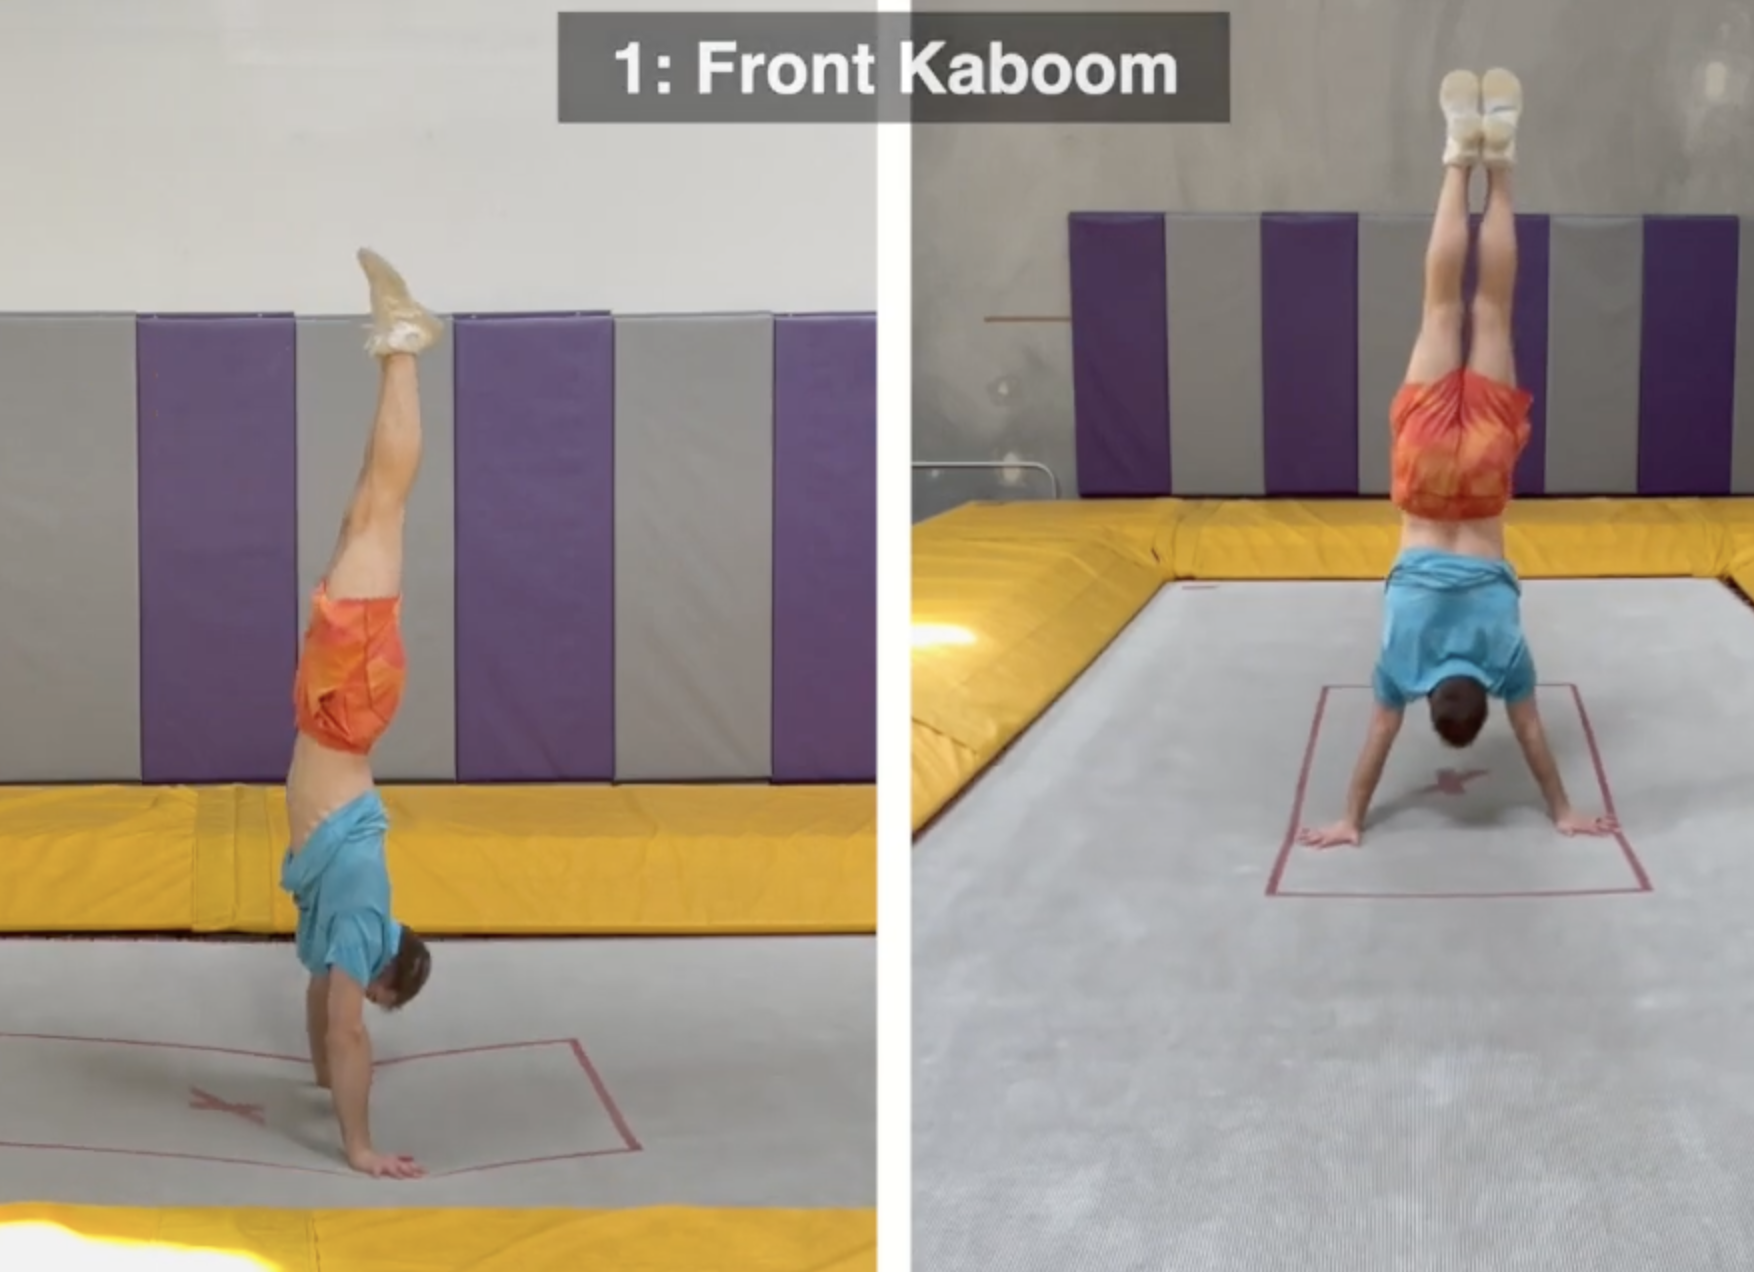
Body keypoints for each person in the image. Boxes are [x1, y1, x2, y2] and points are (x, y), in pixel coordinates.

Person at [1298, 70, 1616, 850]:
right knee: (1442, 308)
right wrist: (1348, 818)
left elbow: (1533, 736)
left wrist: (1564, 808)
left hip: (1480, 480)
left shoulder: (1508, 663)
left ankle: (1497, 159)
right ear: (1431, 701)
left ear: (1483, 701)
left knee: (1490, 309)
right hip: (1425, 479)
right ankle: (1455, 157)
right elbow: (1377, 740)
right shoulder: (1401, 666)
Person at [280, 248, 441, 1179]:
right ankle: (405, 346)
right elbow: (345, 1029)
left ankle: (401, 351)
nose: (353, 997)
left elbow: (320, 1004)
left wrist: (314, 1070)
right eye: (369, 994)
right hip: (348, 709)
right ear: (381, 973)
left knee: (361, 520)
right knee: (382, 512)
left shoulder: (342, 932)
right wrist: (359, 1145)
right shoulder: (359, 919)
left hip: (336, 709)